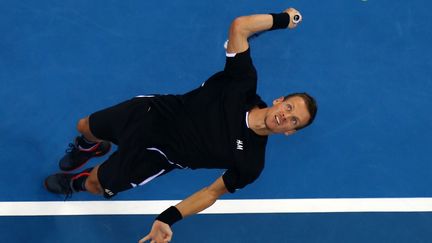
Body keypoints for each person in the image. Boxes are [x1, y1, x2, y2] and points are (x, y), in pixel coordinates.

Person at [44, 7, 317, 243]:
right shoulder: (242, 81)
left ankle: (77, 182)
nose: (285, 116)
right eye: (289, 107)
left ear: (290, 132)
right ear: (280, 100)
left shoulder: (251, 162)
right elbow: (240, 26)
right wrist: (283, 19)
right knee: (85, 125)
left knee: (96, 184)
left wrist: (168, 218)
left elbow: (211, 192)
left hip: (152, 158)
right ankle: (89, 147)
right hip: (150, 114)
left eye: (293, 121)